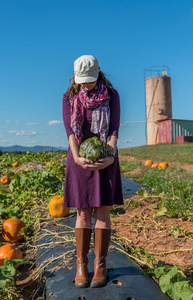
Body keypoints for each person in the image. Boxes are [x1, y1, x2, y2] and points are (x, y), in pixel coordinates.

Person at [62, 55, 123, 288]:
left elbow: (114, 128)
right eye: (81, 80)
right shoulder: (69, 97)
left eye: (89, 80)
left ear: (98, 73)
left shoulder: (112, 95)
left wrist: (110, 155)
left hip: (105, 156)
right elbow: (70, 130)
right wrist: (77, 157)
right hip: (79, 158)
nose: (85, 85)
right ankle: (81, 266)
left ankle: (100, 266)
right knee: (82, 213)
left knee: (103, 212)